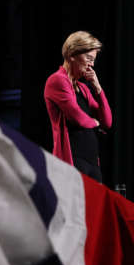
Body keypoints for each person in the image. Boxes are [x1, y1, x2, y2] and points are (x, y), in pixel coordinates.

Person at [44, 30, 112, 183]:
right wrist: (95, 123)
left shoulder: (83, 88)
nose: (92, 64)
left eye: (93, 60)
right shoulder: (57, 80)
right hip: (72, 160)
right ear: (72, 54)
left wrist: (98, 88)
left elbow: (107, 121)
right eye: (88, 58)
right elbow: (77, 117)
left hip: (92, 161)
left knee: (94, 206)